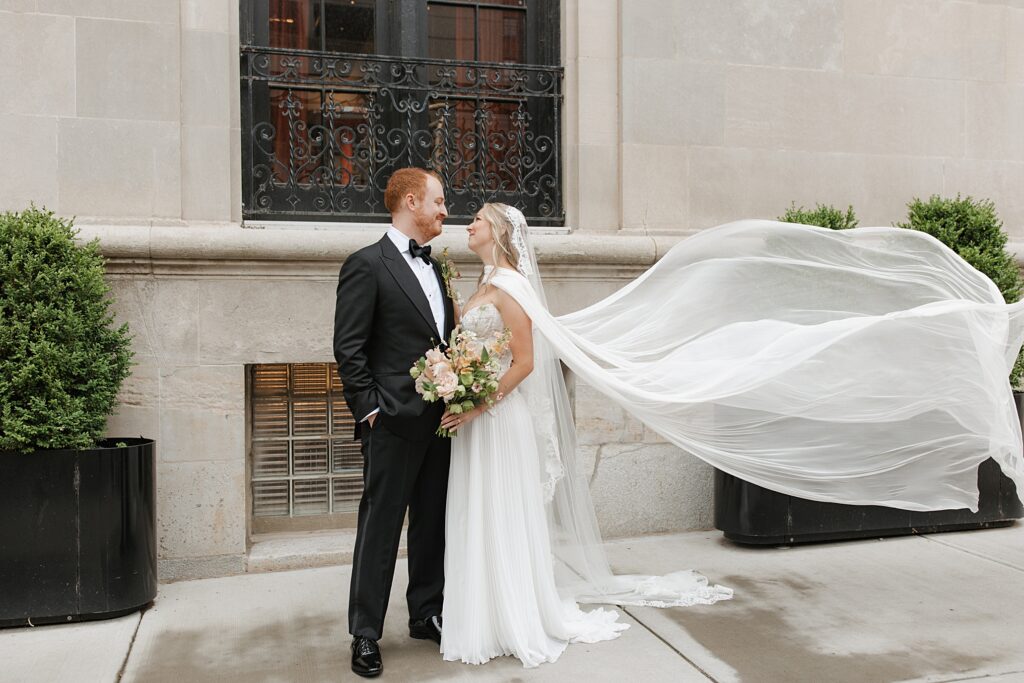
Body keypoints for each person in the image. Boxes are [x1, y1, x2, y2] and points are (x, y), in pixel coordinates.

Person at [435, 204, 1024, 668]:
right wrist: (454, 379)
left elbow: (526, 359)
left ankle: (510, 614)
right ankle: (486, 612)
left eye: (477, 219)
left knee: (501, 512)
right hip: (480, 419)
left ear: (499, 233)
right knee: (485, 512)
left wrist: (474, 397)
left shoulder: (510, 285)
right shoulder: (485, 279)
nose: (468, 224)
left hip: (495, 416)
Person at [333, 167, 455, 678]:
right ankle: (365, 633)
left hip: (441, 421)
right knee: (380, 527)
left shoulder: (438, 267)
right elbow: (349, 347)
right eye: (439, 201)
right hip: (392, 422)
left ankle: (426, 613)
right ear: (411, 201)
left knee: (433, 524)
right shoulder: (367, 265)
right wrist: (371, 412)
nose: (445, 211)